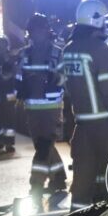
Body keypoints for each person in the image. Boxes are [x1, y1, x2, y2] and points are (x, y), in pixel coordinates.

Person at [59, 0, 108, 209]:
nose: (106, 24)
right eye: (104, 20)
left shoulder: (69, 50)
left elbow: (67, 88)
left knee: (82, 180)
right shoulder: (100, 49)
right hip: (104, 125)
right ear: (96, 21)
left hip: (82, 126)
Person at [19, 13, 67, 202]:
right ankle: (59, 178)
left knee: (44, 146)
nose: (37, 34)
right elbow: (18, 76)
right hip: (31, 106)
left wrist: (57, 79)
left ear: (47, 31)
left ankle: (36, 184)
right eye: (33, 31)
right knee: (42, 146)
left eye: (40, 30)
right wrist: (19, 87)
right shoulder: (25, 53)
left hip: (51, 105)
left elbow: (65, 76)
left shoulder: (57, 52)